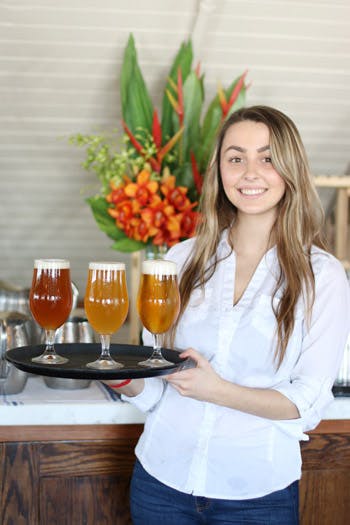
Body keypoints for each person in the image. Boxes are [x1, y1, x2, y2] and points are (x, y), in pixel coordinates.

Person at [103, 106, 350, 525]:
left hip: (257, 495)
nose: (249, 172)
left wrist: (216, 389)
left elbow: (306, 403)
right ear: (220, 171)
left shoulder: (321, 276)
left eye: (267, 158)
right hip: (161, 483)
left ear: (291, 168)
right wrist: (121, 378)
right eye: (236, 158)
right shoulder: (179, 261)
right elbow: (157, 390)